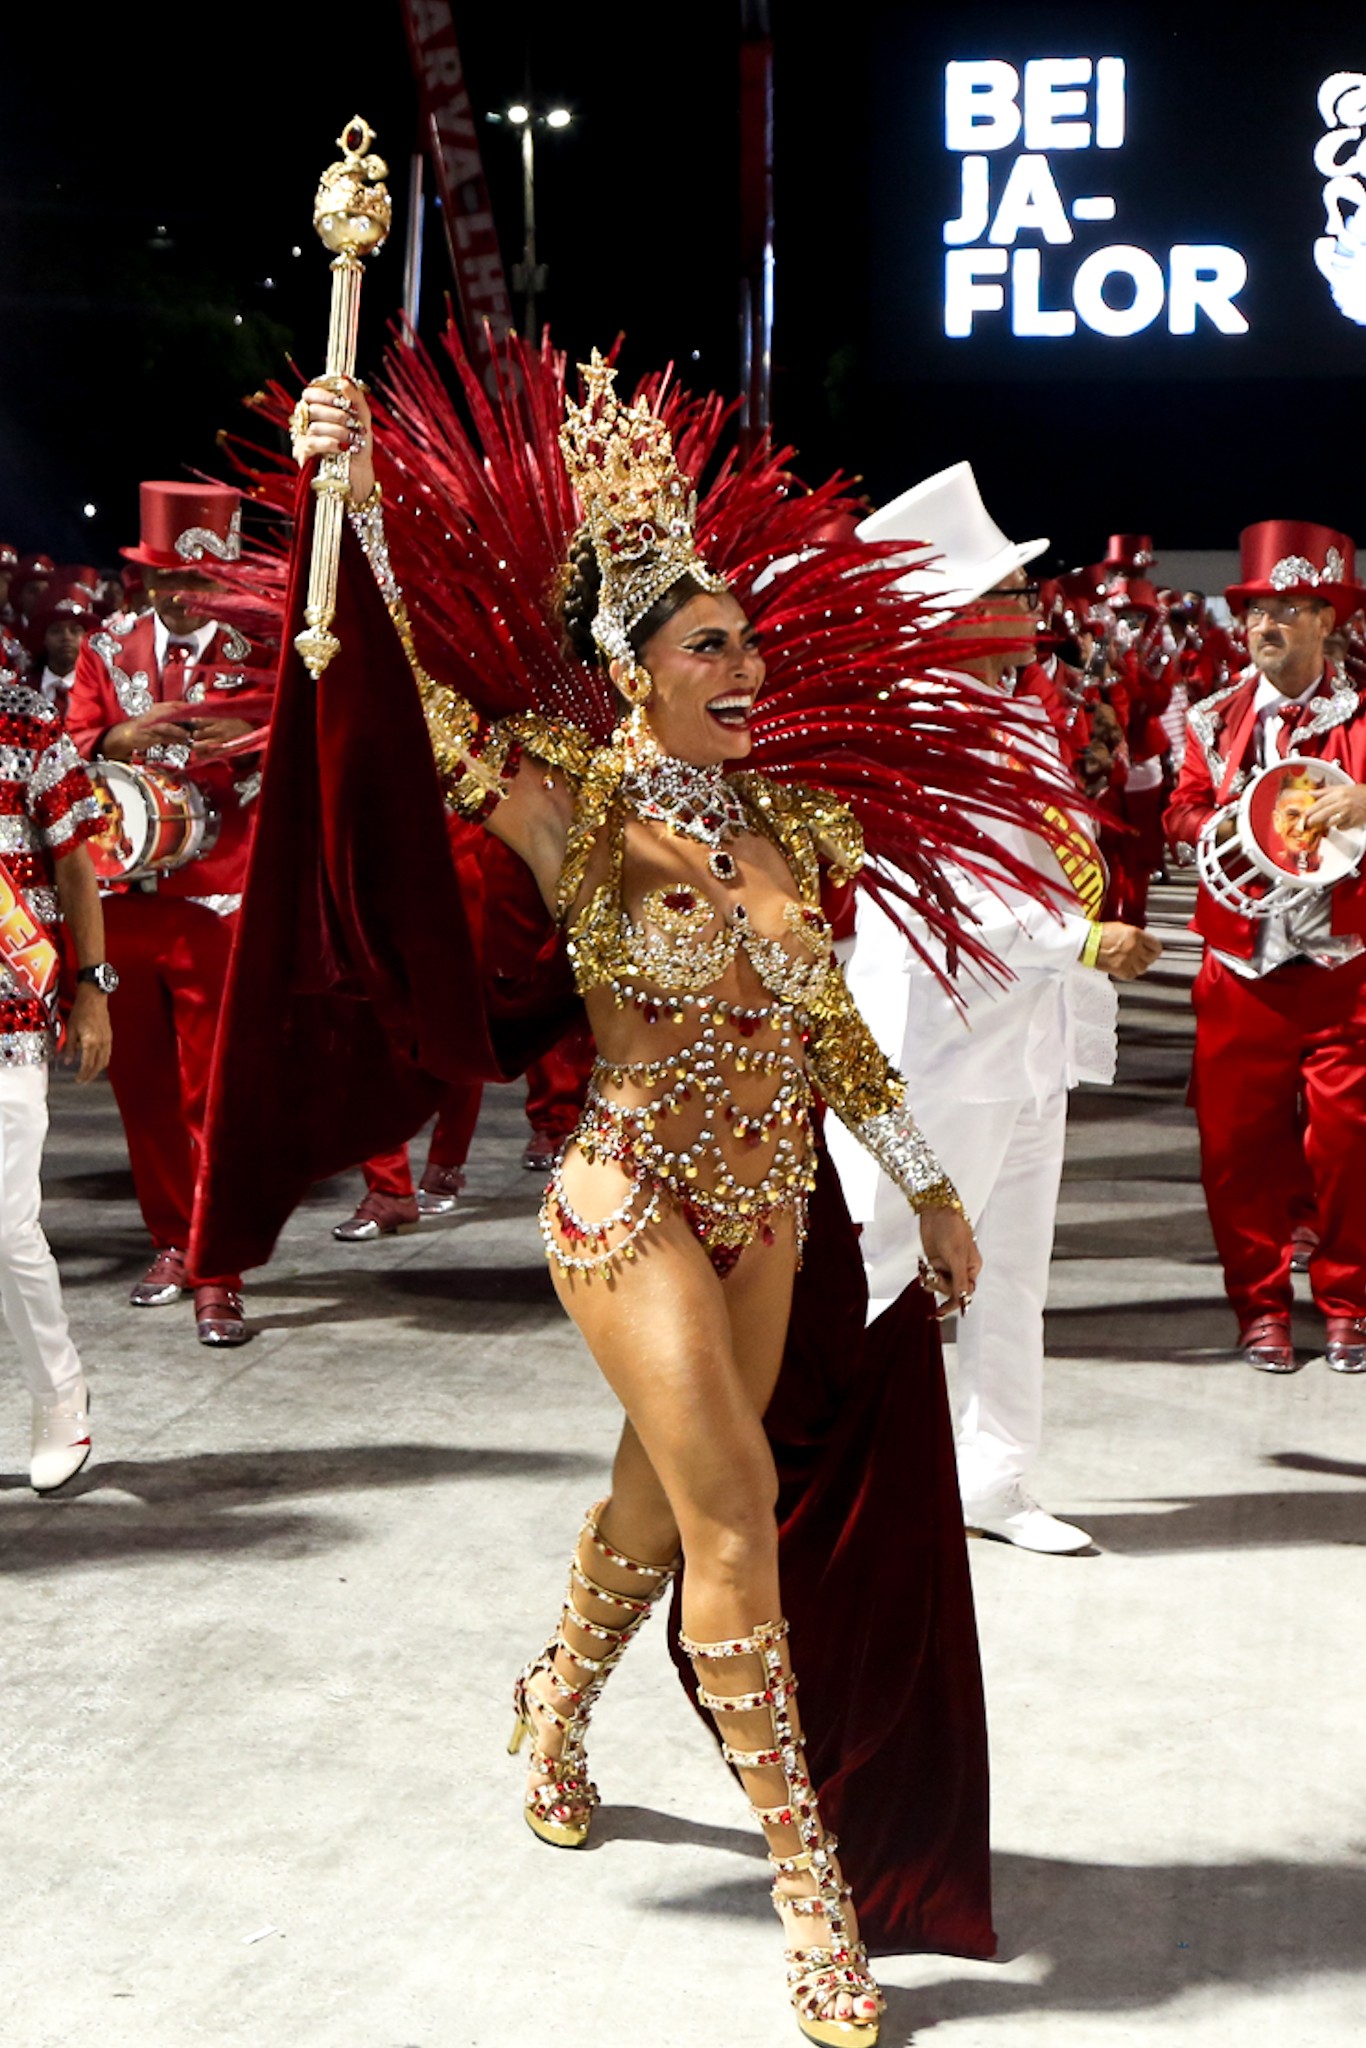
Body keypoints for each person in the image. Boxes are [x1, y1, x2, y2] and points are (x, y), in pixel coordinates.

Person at [192, 328, 1099, 2040]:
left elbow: (836, 1037)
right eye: (710, 644)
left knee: (659, 1496)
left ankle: (552, 1698)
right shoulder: (573, 811)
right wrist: (353, 484)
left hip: (773, 1206)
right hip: (627, 1201)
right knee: (735, 1505)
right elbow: (404, 688)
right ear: (636, 667)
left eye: (749, 639)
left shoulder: (798, 831)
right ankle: (813, 1895)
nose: (746, 663)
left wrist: (934, 1189)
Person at [830, 463, 1162, 1555]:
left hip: (1025, 1039)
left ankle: (996, 1477)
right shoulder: (913, 729)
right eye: (1007, 594)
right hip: (938, 1040)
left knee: (1013, 1273)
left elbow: (1045, 862)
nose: (1029, 609)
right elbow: (953, 897)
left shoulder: (1017, 709)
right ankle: (836, 1470)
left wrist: (1072, 948)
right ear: (950, 615)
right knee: (882, 1264)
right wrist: (1080, 939)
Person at [65, 482, 269, 1345]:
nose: (182, 594)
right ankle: (170, 1241)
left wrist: (250, 736)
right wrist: (116, 740)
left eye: (198, 577)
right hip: (122, 901)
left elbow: (302, 736)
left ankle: (218, 1274)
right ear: (144, 577)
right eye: (166, 577)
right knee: (142, 1091)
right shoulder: (105, 647)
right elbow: (68, 750)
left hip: (215, 901)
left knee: (209, 1096)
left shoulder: (256, 648)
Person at [1166, 518, 1366, 1374]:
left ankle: (1350, 1304)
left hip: (1344, 966)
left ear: (1329, 619)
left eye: (1288, 607)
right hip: (1240, 964)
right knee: (1238, 1150)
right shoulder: (1212, 717)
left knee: (1350, 1149)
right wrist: (1213, 824)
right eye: (1255, 610)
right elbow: (1177, 809)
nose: (1266, 625)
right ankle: (1260, 1308)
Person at [0, 653, 114, 1490]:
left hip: (9, 1006)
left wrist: (93, 988)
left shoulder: (24, 715)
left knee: (6, 1223)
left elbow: (77, 861)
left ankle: (60, 1397)